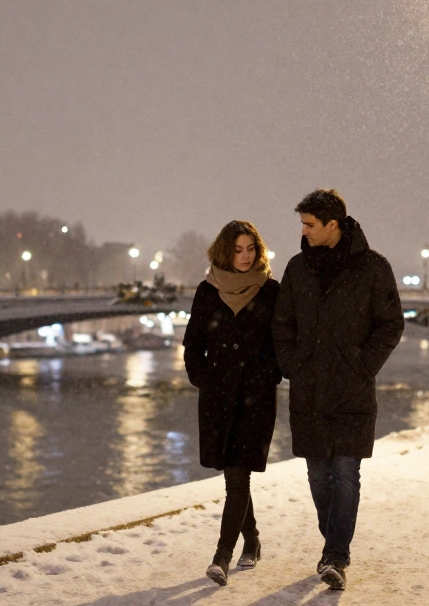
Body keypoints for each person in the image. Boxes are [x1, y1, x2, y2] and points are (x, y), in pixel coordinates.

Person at [272, 188, 404, 591]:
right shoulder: (297, 269)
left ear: (334, 225)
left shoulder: (374, 268)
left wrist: (363, 366)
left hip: (351, 390)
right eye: (303, 225)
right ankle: (334, 544)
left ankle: (336, 555)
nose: (304, 231)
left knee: (345, 473)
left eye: (310, 225)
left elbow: (390, 324)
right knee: (317, 476)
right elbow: (282, 325)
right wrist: (294, 365)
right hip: (309, 390)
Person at [183, 220, 281, 587]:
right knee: (235, 475)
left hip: (255, 398)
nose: (245, 257)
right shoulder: (207, 292)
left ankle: (222, 556)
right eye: (238, 250)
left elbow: (282, 342)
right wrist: (203, 379)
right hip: (218, 398)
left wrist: (270, 372)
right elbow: (193, 344)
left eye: (250, 250)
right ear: (226, 252)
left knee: (238, 477)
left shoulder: (271, 291)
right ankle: (252, 541)